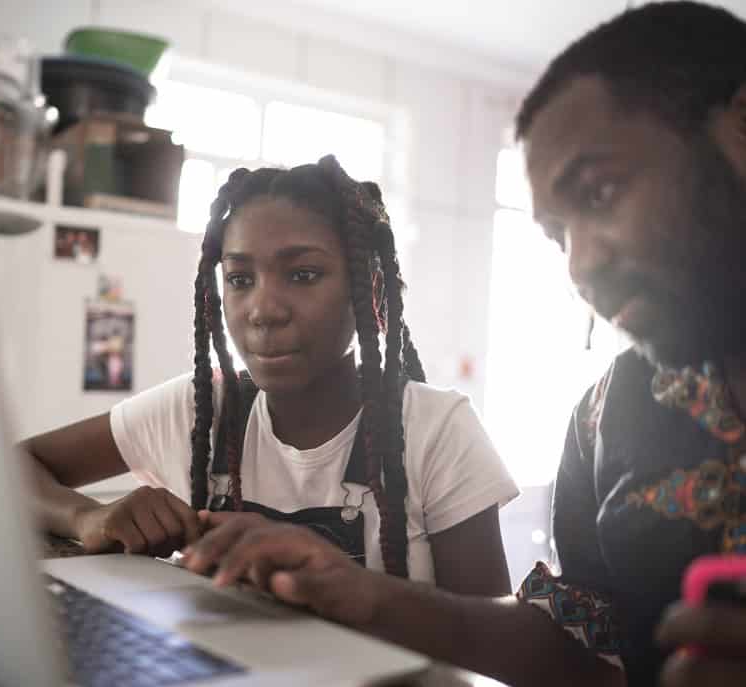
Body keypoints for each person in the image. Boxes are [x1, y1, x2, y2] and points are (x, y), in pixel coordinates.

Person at [180, 3, 746, 687]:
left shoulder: (441, 425)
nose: (580, 264)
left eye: (600, 192)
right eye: (557, 235)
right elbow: (583, 653)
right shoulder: (609, 415)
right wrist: (359, 592)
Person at [24, 156, 518, 593]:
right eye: (240, 279)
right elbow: (14, 465)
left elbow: (488, 643)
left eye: (303, 275)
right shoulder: (199, 411)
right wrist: (87, 516)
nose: (263, 311)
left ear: (367, 291)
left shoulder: (437, 430)